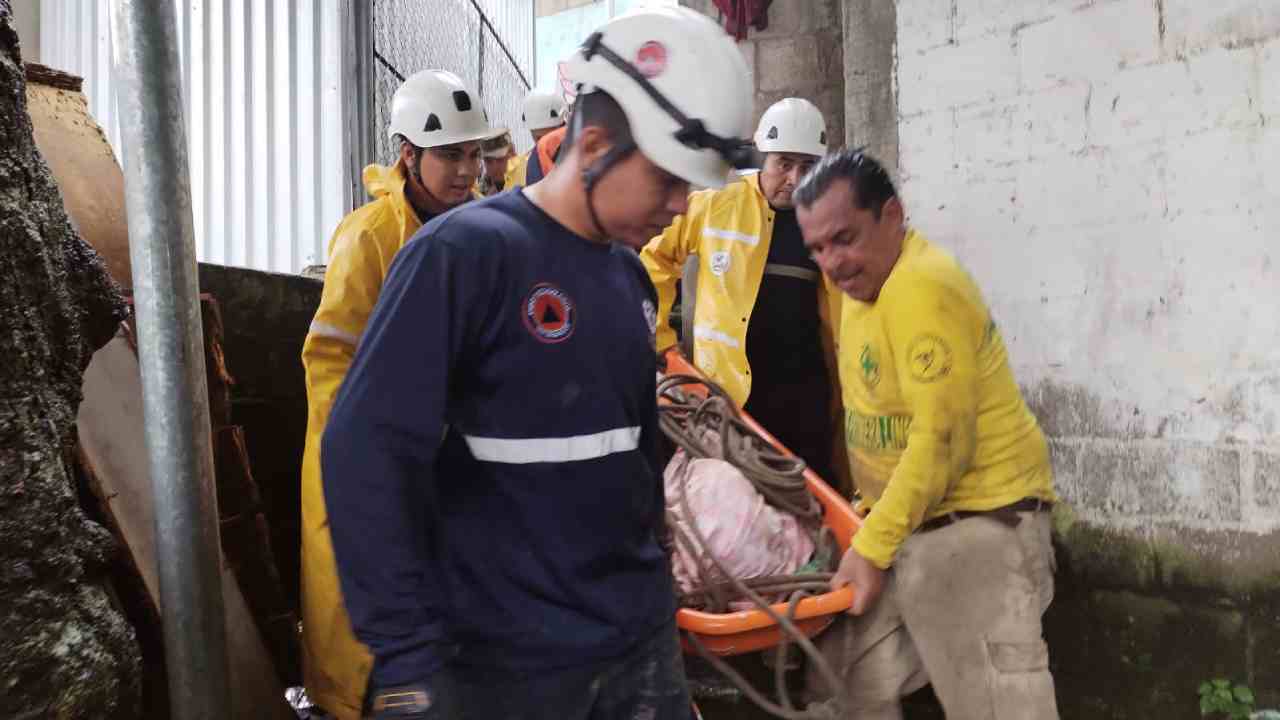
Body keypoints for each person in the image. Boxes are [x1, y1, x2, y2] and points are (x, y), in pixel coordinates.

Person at [320, 7, 754, 719]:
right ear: (600, 142)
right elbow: (365, 453)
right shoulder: (463, 258)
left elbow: (637, 453)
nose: (680, 208)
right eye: (670, 180)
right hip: (501, 666)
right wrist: (407, 658)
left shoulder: (630, 281)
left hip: (634, 648)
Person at [793, 149, 1061, 719]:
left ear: (893, 215)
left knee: (996, 707)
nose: (832, 262)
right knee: (840, 686)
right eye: (816, 248)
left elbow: (942, 442)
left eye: (844, 238)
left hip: (981, 523)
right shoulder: (859, 291)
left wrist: (870, 545)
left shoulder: (921, 285)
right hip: (912, 526)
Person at [298, 68, 499, 720]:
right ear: (408, 154)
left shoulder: (476, 233)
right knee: (360, 615)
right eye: (450, 155)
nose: (466, 170)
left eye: (473, 154)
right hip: (371, 457)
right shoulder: (369, 240)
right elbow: (330, 361)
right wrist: (369, 460)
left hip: (442, 455)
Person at [640, 97, 847, 490]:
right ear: (762, 157)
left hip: (805, 400)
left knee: (810, 499)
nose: (794, 178)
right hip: (732, 400)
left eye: (807, 167)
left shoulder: (825, 220)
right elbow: (654, 260)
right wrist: (662, 346)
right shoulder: (716, 203)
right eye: (784, 163)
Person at [505, 89, 567, 188]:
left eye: (549, 137)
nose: (543, 144)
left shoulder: (579, 156)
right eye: (538, 138)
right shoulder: (529, 166)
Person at [477, 131, 514, 196]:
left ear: (512, 154)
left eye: (500, 159)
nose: (495, 167)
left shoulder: (527, 181)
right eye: (488, 161)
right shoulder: (479, 192)